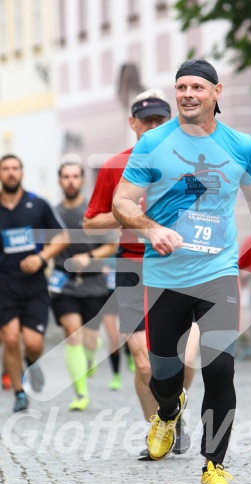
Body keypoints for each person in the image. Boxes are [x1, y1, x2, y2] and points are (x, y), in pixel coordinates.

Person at [112, 59, 251, 484]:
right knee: (162, 373)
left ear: (216, 92)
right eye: (181, 87)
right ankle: (168, 413)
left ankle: (214, 466)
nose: (187, 94)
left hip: (218, 273)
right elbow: (123, 202)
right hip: (166, 276)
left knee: (221, 368)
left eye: (197, 87)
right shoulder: (153, 143)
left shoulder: (241, 144)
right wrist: (152, 228)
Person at [83, 89, 199, 459]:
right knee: (144, 360)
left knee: (185, 359)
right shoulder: (115, 167)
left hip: (178, 265)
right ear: (132, 124)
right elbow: (90, 224)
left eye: (159, 120)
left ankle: (173, 414)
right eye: (145, 120)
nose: (152, 125)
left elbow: (208, 208)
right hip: (133, 265)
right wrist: (129, 213)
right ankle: (159, 430)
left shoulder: (186, 163)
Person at [0, 154, 68, 412]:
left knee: (33, 343)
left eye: (14, 168)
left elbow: (62, 237)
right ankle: (19, 392)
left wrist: (41, 258)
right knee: (9, 338)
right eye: (5, 169)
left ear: (22, 173)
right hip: (4, 284)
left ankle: (32, 361)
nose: (10, 173)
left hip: (34, 285)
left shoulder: (37, 204)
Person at [50, 162, 117, 410]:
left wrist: (89, 258)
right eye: (65, 176)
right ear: (59, 181)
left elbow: (111, 245)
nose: (70, 181)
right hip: (64, 283)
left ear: (82, 180)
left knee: (90, 341)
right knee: (73, 335)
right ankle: (81, 395)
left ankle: (91, 354)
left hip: (94, 283)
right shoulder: (53, 213)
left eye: (75, 176)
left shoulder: (94, 211)